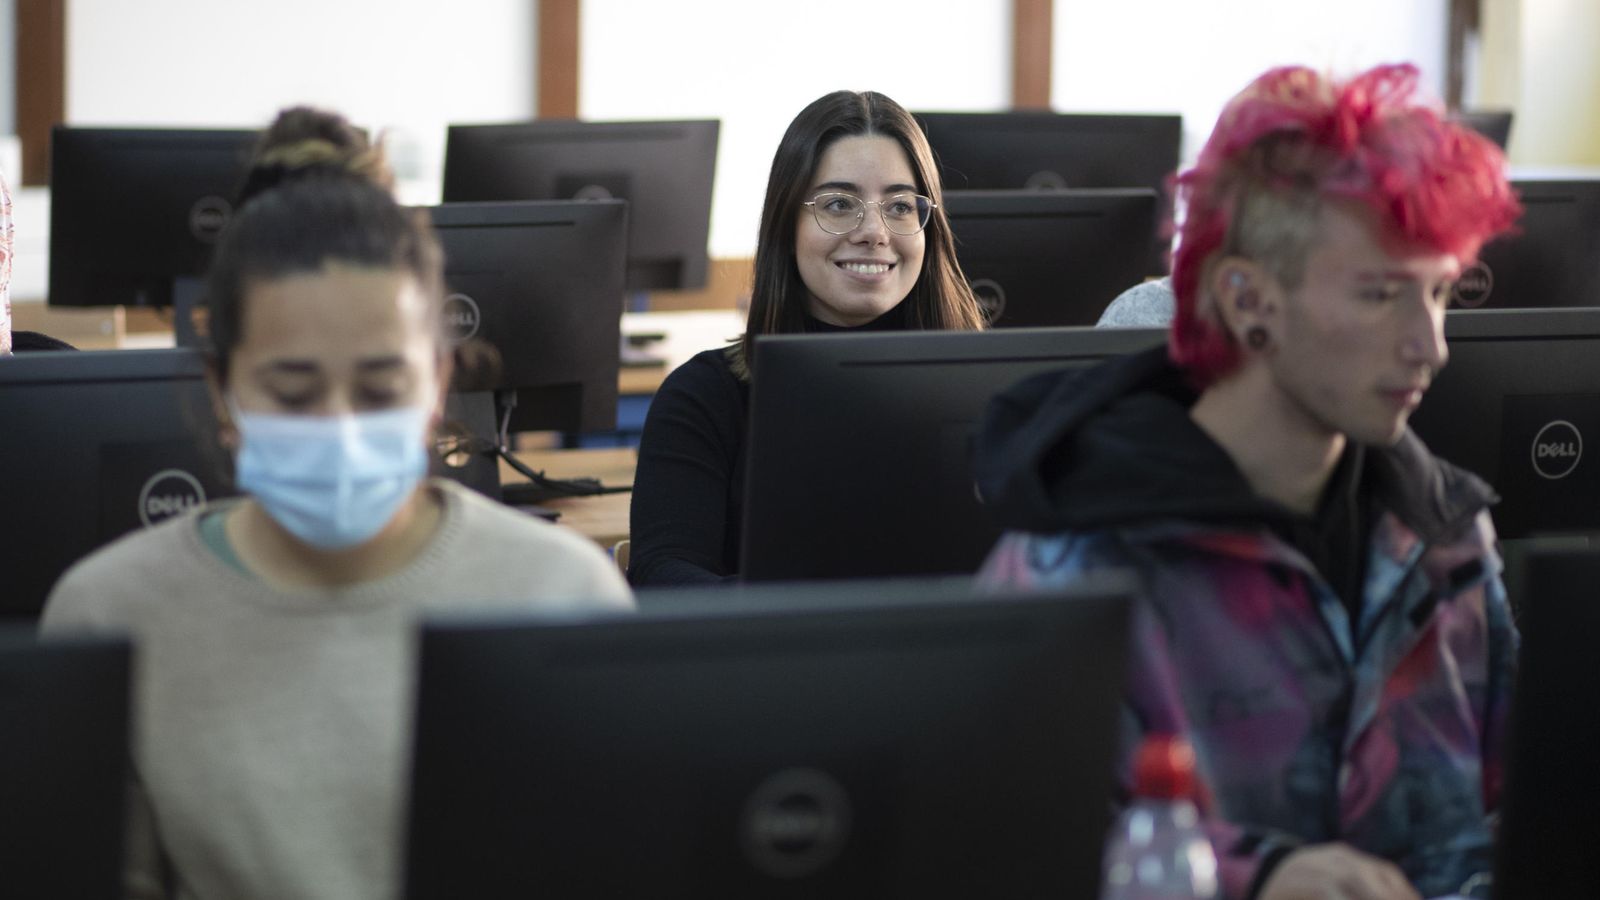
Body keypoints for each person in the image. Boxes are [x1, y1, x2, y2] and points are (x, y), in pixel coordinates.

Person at [41, 107, 632, 900]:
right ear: (224, 392)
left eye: (381, 385)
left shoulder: (563, 595)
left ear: (438, 385)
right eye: (293, 389)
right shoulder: (110, 614)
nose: (341, 426)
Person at [976, 64, 1521, 900]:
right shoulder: (1076, 561)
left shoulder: (1444, 538)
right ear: (1246, 300)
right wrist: (1251, 881)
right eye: (1382, 296)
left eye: (1441, 293)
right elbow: (996, 845)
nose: (1430, 345)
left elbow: (1518, 812)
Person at [628, 90, 985, 586]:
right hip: (773, 659)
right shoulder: (704, 397)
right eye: (839, 204)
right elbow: (661, 574)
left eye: (900, 206)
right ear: (786, 224)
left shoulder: (987, 395)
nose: (875, 232)